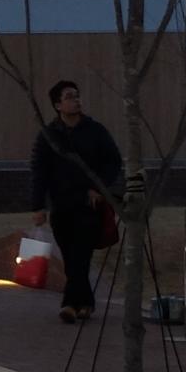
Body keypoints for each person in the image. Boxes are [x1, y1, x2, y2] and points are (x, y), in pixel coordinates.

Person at [30, 78, 123, 322]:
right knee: (70, 257)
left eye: (77, 95)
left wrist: (98, 188)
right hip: (61, 205)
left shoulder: (95, 131)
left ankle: (69, 305)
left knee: (81, 254)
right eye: (69, 97)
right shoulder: (49, 135)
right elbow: (39, 170)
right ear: (58, 105)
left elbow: (113, 161)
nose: (76, 100)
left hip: (88, 205)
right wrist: (38, 206)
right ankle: (86, 303)